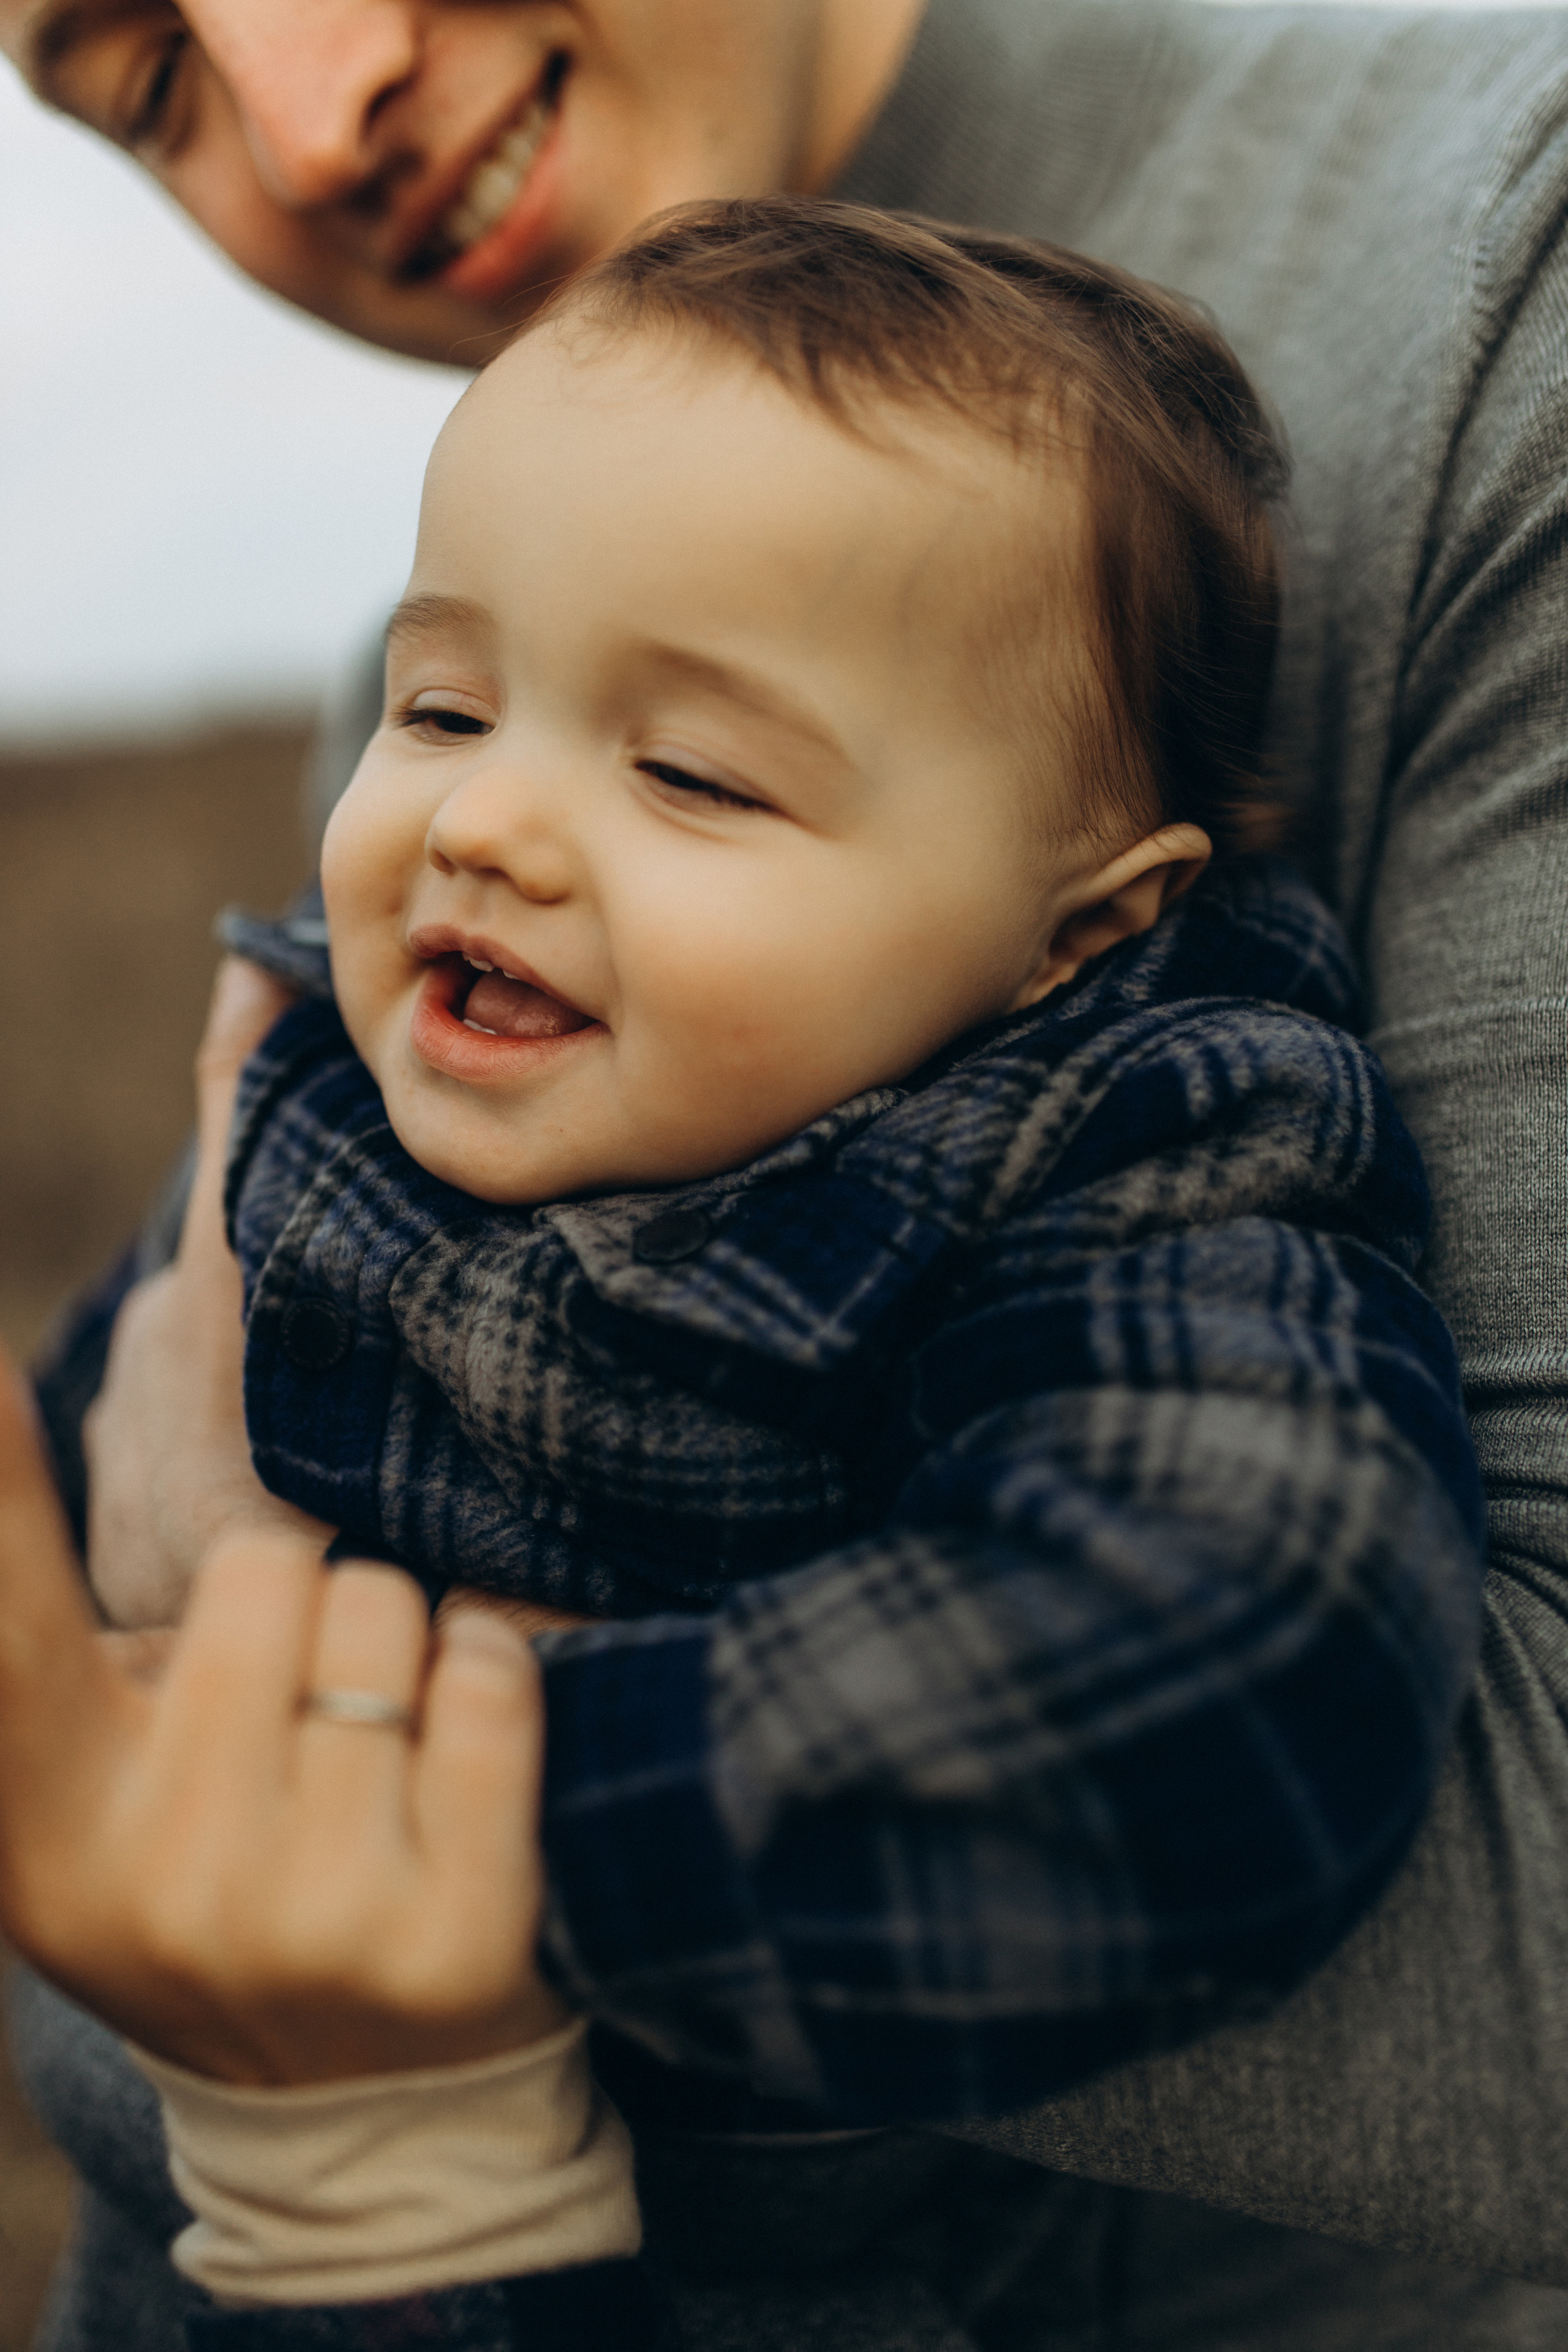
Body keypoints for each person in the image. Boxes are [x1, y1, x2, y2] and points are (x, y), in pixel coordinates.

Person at [6, 0, 1568, 2342]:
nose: (485, 814)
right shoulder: (393, 991)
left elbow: (1228, 1660)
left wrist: (391, 1800)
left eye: (706, 779)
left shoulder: (1098, 1138)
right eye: (136, 81)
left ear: (1085, 931)